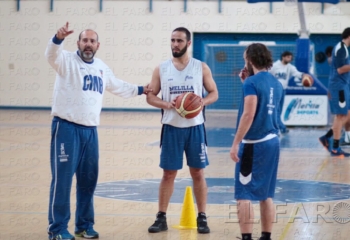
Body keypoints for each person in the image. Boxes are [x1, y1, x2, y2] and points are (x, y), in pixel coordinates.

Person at [45, 22, 151, 240]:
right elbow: (51, 55)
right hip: (66, 128)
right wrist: (57, 38)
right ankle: (57, 229)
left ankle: (83, 226)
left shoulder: (101, 67)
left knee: (88, 180)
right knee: (62, 181)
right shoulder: (66, 60)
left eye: (92, 41)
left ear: (98, 45)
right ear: (78, 42)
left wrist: (141, 89)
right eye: (85, 40)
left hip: (90, 131)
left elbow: (117, 85)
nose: (88, 44)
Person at [146, 27, 218, 234]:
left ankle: (202, 217)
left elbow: (214, 93)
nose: (175, 44)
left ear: (188, 43)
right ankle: (161, 217)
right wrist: (165, 104)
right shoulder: (161, 68)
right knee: (168, 174)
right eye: (172, 40)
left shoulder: (200, 67)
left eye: (179, 41)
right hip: (171, 128)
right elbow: (151, 96)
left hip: (195, 128)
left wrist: (202, 101)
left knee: (198, 172)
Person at [230, 43, 283, 240]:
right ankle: (266, 236)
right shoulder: (276, 83)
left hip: (254, 144)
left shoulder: (250, 84)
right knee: (266, 194)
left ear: (250, 60)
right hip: (273, 141)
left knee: (244, 194)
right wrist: (247, 82)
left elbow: (249, 114)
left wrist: (236, 143)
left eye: (246, 59)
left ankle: (246, 238)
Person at [319, 27, 350, 156]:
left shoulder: (344, 48)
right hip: (338, 86)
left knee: (347, 114)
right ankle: (335, 147)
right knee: (341, 116)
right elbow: (340, 69)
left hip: (342, 85)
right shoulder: (341, 49)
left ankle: (328, 137)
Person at [269, 51, 306, 134]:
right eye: (288, 57)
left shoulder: (289, 67)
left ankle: (276, 127)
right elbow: (268, 75)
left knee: (280, 110)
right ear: (283, 57)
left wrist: (303, 75)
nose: (290, 59)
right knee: (276, 110)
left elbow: (296, 73)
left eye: (291, 57)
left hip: (283, 90)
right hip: (275, 90)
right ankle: (282, 128)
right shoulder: (275, 66)